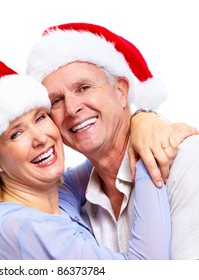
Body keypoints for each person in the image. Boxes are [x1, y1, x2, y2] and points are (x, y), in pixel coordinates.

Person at [0, 56, 171, 260]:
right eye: (16, 134)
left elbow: (109, 155)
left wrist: (143, 119)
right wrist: (149, 155)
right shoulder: (27, 227)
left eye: (40, 117)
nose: (40, 138)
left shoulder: (54, 196)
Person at [26, 22, 199, 259]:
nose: (72, 108)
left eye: (84, 87)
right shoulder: (72, 200)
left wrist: (145, 114)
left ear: (120, 91)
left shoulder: (187, 163)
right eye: (56, 101)